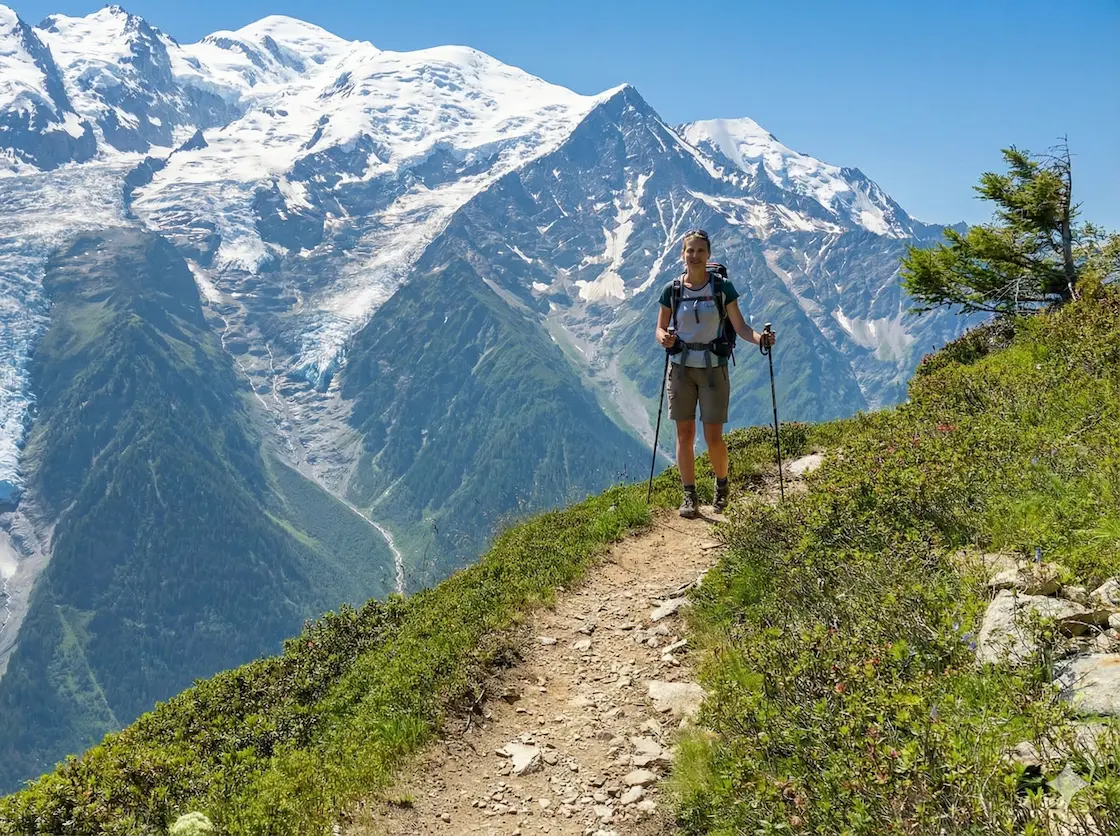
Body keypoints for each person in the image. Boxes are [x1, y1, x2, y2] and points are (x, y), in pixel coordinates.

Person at [654, 229, 776, 518]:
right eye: (689, 251)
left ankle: (722, 486)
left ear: (708, 255)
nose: (694, 256)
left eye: (699, 251)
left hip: (713, 370)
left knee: (713, 437)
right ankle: (689, 496)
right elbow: (659, 328)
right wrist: (664, 339)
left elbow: (741, 326)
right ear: (682, 255)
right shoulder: (671, 291)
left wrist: (761, 339)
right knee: (684, 434)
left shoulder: (722, 289)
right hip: (681, 369)